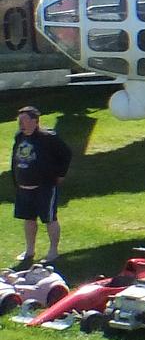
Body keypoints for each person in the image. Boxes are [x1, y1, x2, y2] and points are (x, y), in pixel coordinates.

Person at [11, 106, 72, 268]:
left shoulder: (48, 138)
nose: (21, 124)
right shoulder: (20, 137)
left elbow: (66, 154)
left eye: (24, 120)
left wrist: (60, 174)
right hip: (24, 187)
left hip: (44, 186)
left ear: (35, 121)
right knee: (28, 219)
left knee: (49, 218)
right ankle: (30, 250)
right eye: (19, 121)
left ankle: (53, 250)